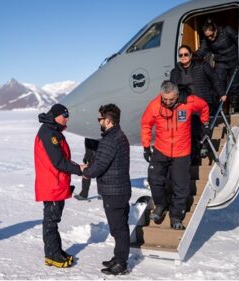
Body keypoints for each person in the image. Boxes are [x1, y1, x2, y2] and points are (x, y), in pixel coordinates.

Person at [141, 80, 209, 230]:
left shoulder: (189, 101)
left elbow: (204, 106)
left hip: (181, 152)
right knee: (154, 179)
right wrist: (146, 147)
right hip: (161, 149)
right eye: (165, 99)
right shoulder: (154, 105)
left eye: (171, 99)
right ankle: (160, 205)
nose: (168, 102)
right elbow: (146, 124)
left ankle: (176, 216)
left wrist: (205, 125)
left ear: (177, 95)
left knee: (181, 187)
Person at [34, 103, 85, 268]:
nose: (67, 118)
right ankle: (52, 255)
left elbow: (60, 159)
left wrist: (77, 167)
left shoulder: (52, 131)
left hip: (56, 182)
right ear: (55, 115)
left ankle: (55, 251)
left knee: (53, 219)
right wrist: (78, 169)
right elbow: (58, 162)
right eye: (64, 115)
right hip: (52, 184)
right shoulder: (49, 134)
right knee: (51, 221)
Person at [83, 104, 131, 275]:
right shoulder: (118, 135)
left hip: (114, 191)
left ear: (108, 120)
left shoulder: (110, 140)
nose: (99, 122)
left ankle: (121, 263)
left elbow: (100, 165)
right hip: (119, 189)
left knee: (118, 229)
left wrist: (86, 172)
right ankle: (119, 257)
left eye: (100, 119)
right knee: (120, 227)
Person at [170, 44, 225, 158]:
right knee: (187, 128)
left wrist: (221, 93)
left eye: (186, 54)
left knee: (200, 125)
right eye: (181, 55)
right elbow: (172, 89)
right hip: (184, 103)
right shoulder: (175, 72)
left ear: (190, 55)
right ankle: (193, 153)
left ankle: (204, 145)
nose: (183, 57)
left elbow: (214, 78)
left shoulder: (202, 65)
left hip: (202, 101)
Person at [195, 18, 239, 114]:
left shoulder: (227, 31)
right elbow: (202, 51)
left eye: (211, 35)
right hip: (221, 63)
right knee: (219, 85)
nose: (210, 38)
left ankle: (234, 106)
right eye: (207, 36)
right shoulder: (207, 40)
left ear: (215, 29)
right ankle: (220, 108)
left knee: (235, 85)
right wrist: (193, 57)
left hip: (234, 60)